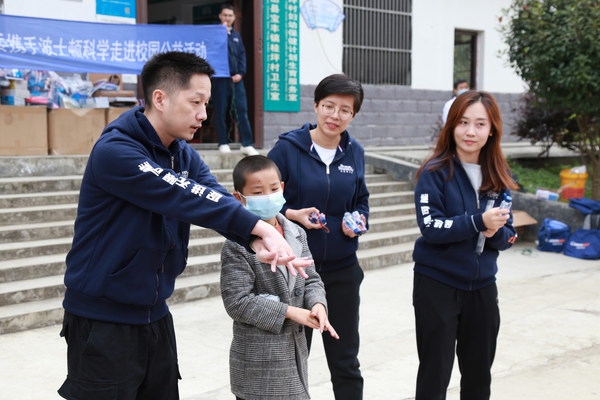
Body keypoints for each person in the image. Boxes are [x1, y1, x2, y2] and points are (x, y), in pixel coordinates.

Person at [57, 51, 311, 400]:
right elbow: (185, 196)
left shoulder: (181, 153)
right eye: (195, 102)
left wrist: (255, 240)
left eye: (206, 104)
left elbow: (213, 195)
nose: (203, 114)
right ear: (160, 99)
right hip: (103, 319)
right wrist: (264, 228)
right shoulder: (116, 152)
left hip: (155, 313)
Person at [412, 90, 520, 400]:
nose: (470, 131)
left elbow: (507, 234)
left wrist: (494, 232)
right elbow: (431, 227)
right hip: (437, 285)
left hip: (483, 287)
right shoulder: (434, 172)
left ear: (492, 130)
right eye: (463, 122)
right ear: (451, 126)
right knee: (434, 375)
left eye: (480, 124)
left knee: (478, 376)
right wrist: (478, 222)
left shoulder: (499, 175)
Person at [267, 73, 369, 400]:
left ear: (353, 115)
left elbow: (361, 200)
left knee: (346, 359)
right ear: (315, 105)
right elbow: (261, 200)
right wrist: (290, 214)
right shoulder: (287, 149)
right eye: (328, 106)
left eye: (345, 110)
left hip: (342, 271)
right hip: (295, 271)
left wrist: (359, 220)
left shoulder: (354, 153)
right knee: (293, 361)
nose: (335, 115)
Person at [221, 155, 339, 400]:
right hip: (257, 361)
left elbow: (311, 278)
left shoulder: (295, 232)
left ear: (282, 188)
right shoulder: (237, 243)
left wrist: (318, 304)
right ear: (239, 198)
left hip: (294, 352)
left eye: (273, 189)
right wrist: (290, 312)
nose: (268, 196)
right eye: (258, 192)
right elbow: (237, 302)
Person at [211, 3, 259, 155]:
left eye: (230, 16)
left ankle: (246, 143)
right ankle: (223, 142)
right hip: (220, 78)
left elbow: (242, 56)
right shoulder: (214, 34)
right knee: (221, 110)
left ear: (234, 18)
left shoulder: (237, 36)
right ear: (220, 16)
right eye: (225, 15)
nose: (227, 18)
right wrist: (222, 34)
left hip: (237, 79)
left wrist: (241, 73)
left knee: (242, 110)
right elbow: (212, 52)